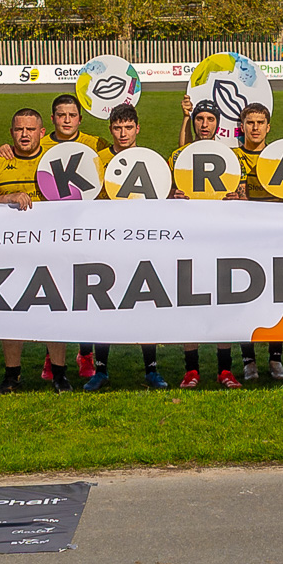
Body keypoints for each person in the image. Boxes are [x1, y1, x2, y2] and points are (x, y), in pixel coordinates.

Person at [0, 107, 72, 393]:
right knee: (11, 310)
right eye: (19, 129)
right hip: (9, 251)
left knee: (55, 310)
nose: (24, 134)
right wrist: (6, 197)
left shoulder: (57, 160)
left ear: (42, 133)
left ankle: (59, 375)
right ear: (11, 133)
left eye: (30, 129)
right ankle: (12, 376)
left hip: (50, 249)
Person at [88, 103, 168, 391]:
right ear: (110, 129)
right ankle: (101, 370)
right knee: (102, 305)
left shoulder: (151, 160)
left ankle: (152, 370)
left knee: (145, 305)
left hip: (142, 243)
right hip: (107, 242)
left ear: (137, 129)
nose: (123, 133)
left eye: (128, 128)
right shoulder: (97, 161)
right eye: (117, 128)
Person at [167, 99, 242, 389]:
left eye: (210, 119)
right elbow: (167, 193)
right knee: (191, 304)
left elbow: (242, 197)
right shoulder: (177, 156)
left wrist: (238, 200)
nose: (205, 124)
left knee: (223, 303)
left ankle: (225, 370)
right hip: (189, 239)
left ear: (218, 123)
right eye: (200, 119)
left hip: (222, 239)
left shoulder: (230, 157)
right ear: (194, 121)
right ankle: (191, 370)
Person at [231, 102, 283, 382]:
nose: (255, 128)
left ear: (269, 127)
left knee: (277, 299)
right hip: (243, 239)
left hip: (275, 238)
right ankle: (249, 361)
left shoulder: (280, 156)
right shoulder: (231, 156)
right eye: (249, 122)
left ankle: (276, 360)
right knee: (245, 299)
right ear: (242, 126)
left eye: (260, 122)